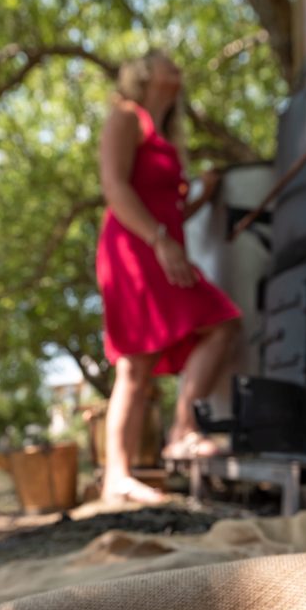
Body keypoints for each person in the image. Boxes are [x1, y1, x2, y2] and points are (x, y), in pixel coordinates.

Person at [97, 49, 242, 504]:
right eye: (166, 63)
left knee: (221, 323)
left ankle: (181, 431)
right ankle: (117, 477)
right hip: (133, 249)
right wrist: (159, 240)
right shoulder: (126, 116)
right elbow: (115, 187)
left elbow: (172, 207)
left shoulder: (164, 134)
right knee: (136, 364)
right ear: (144, 74)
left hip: (161, 246)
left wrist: (202, 195)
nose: (176, 68)